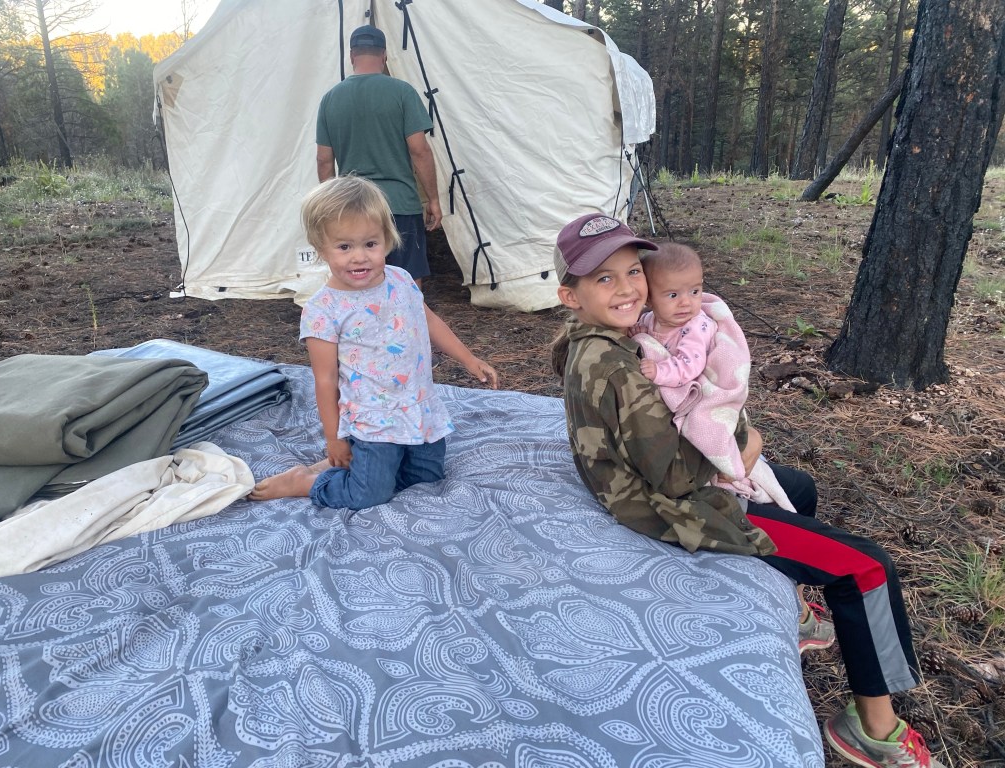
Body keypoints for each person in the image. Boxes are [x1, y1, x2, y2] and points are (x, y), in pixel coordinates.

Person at [549, 212, 944, 768]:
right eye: (604, 278)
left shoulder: (601, 339)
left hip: (643, 485)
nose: (629, 288)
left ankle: (797, 614)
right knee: (866, 568)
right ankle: (872, 730)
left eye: (633, 271)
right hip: (673, 508)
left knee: (799, 487)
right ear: (571, 295)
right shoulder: (616, 367)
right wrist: (744, 442)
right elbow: (675, 478)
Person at [633, 241, 835, 654]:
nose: (687, 302)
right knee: (792, 494)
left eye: (695, 290)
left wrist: (659, 370)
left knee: (795, 487)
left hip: (709, 400)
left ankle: (793, 591)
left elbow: (691, 366)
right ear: (649, 297)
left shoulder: (695, 327)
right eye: (673, 294)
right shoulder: (649, 323)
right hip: (676, 476)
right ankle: (794, 601)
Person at [249, 176, 497, 509]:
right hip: (372, 419)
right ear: (321, 248)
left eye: (370, 244)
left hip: (417, 406)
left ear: (387, 239)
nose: (359, 257)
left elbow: (429, 321)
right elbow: (325, 380)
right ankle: (308, 481)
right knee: (369, 495)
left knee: (426, 479)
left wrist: (469, 359)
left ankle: (357, 467)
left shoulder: (401, 280)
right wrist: (334, 438)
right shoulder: (324, 309)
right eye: (344, 247)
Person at [315, 24, 441, 286]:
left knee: (359, 277)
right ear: (384, 56)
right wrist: (433, 199)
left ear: (352, 56)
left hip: (354, 205)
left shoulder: (330, 99)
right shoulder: (403, 92)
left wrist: (331, 206)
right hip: (400, 204)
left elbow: (324, 160)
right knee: (406, 280)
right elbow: (419, 150)